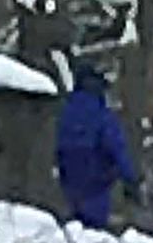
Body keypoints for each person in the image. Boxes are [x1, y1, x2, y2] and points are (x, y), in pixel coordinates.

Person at [55, 64, 139, 230]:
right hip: (96, 177)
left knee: (72, 228)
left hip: (67, 175)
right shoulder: (102, 114)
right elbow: (116, 147)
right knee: (93, 231)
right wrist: (130, 179)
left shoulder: (64, 110)